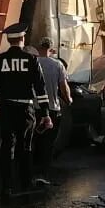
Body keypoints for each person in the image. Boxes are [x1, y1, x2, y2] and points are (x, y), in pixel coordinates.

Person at [0, 23, 53, 202]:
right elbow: (40, 87)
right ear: (22, 39)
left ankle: (6, 187)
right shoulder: (31, 59)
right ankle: (25, 183)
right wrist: (45, 113)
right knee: (26, 146)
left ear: (9, 40)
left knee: (7, 146)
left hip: (6, 108)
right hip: (25, 109)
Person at [34, 38, 72, 177]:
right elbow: (64, 87)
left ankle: (31, 169)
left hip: (35, 108)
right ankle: (44, 172)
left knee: (34, 139)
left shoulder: (33, 62)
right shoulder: (58, 65)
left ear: (39, 48)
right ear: (51, 49)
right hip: (52, 109)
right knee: (48, 142)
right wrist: (69, 100)